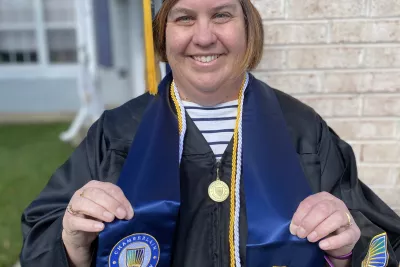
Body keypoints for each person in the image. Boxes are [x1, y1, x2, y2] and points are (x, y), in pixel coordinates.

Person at [20, 0, 400, 266]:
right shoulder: (118, 132)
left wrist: (344, 250)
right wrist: (71, 243)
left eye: (221, 15)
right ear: (163, 34)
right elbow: (41, 235)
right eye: (184, 18)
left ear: (249, 27)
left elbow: (380, 238)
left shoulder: (302, 131)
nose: (204, 38)